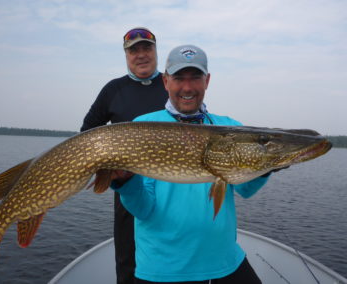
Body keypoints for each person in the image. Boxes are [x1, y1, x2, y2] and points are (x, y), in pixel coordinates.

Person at [112, 45, 269, 283]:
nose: (187, 87)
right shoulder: (144, 126)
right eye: (178, 78)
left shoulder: (229, 127)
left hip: (226, 263)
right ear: (166, 81)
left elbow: (245, 189)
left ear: (207, 81)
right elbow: (143, 209)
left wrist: (268, 163)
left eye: (195, 77)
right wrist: (125, 183)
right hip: (163, 269)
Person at [80, 27, 168, 284]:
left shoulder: (171, 84)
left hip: (174, 184)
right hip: (130, 187)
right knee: (128, 261)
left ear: (155, 51)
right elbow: (88, 133)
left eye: (146, 48)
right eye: (134, 50)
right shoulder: (113, 89)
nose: (141, 55)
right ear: (126, 55)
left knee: (172, 251)